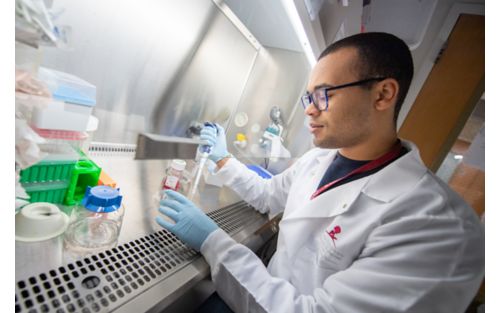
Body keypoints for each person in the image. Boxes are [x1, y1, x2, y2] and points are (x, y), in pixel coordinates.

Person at [156, 32, 484, 313]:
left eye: (324, 94)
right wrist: (225, 160)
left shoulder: (438, 227)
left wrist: (214, 242)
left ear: (383, 94)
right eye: (308, 97)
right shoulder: (319, 160)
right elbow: (267, 195)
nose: (310, 109)